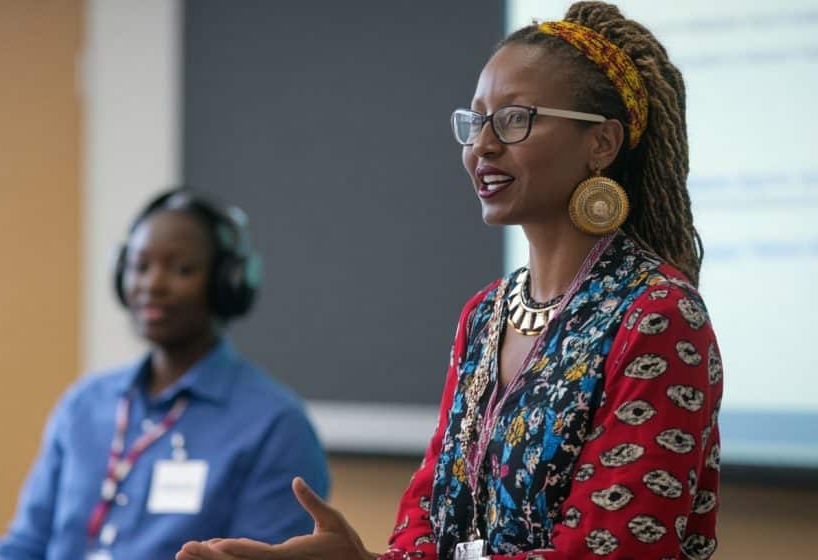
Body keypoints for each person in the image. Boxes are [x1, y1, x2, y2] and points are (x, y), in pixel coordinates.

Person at [176, 2, 721, 559]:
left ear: (601, 142)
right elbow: (428, 525)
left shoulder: (656, 315)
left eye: (514, 119)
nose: (482, 145)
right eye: (476, 121)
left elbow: (611, 551)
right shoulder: (484, 316)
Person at [0, 189, 330, 560]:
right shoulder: (83, 405)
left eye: (181, 269)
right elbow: (24, 545)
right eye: (140, 267)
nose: (152, 285)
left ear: (226, 283)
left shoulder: (275, 426)